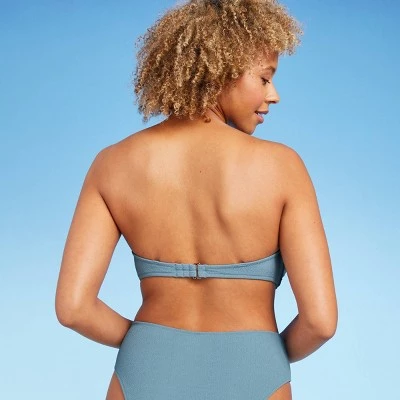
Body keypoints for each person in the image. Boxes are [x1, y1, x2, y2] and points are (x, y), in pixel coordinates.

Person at [55, 0, 338, 399]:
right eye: (264, 78)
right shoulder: (282, 167)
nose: (273, 95)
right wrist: (261, 356)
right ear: (223, 69)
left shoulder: (112, 164)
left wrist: (149, 345)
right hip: (254, 369)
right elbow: (320, 322)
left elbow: (73, 308)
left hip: (146, 367)